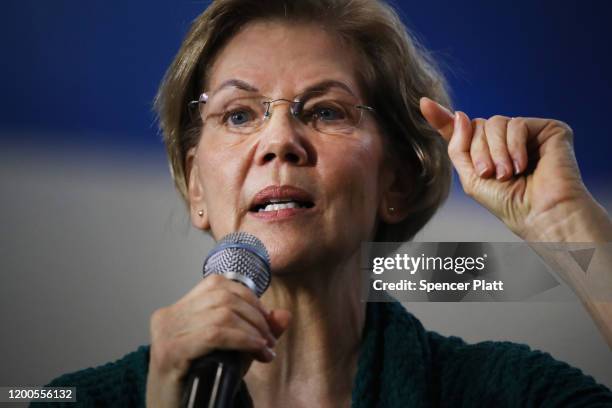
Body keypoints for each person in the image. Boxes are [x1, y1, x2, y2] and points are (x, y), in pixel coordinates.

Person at [37, 0, 612, 406]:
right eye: (239, 115)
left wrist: (568, 222)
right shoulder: (83, 401)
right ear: (195, 186)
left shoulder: (505, 393)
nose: (279, 141)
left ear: (397, 181)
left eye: (326, 111)